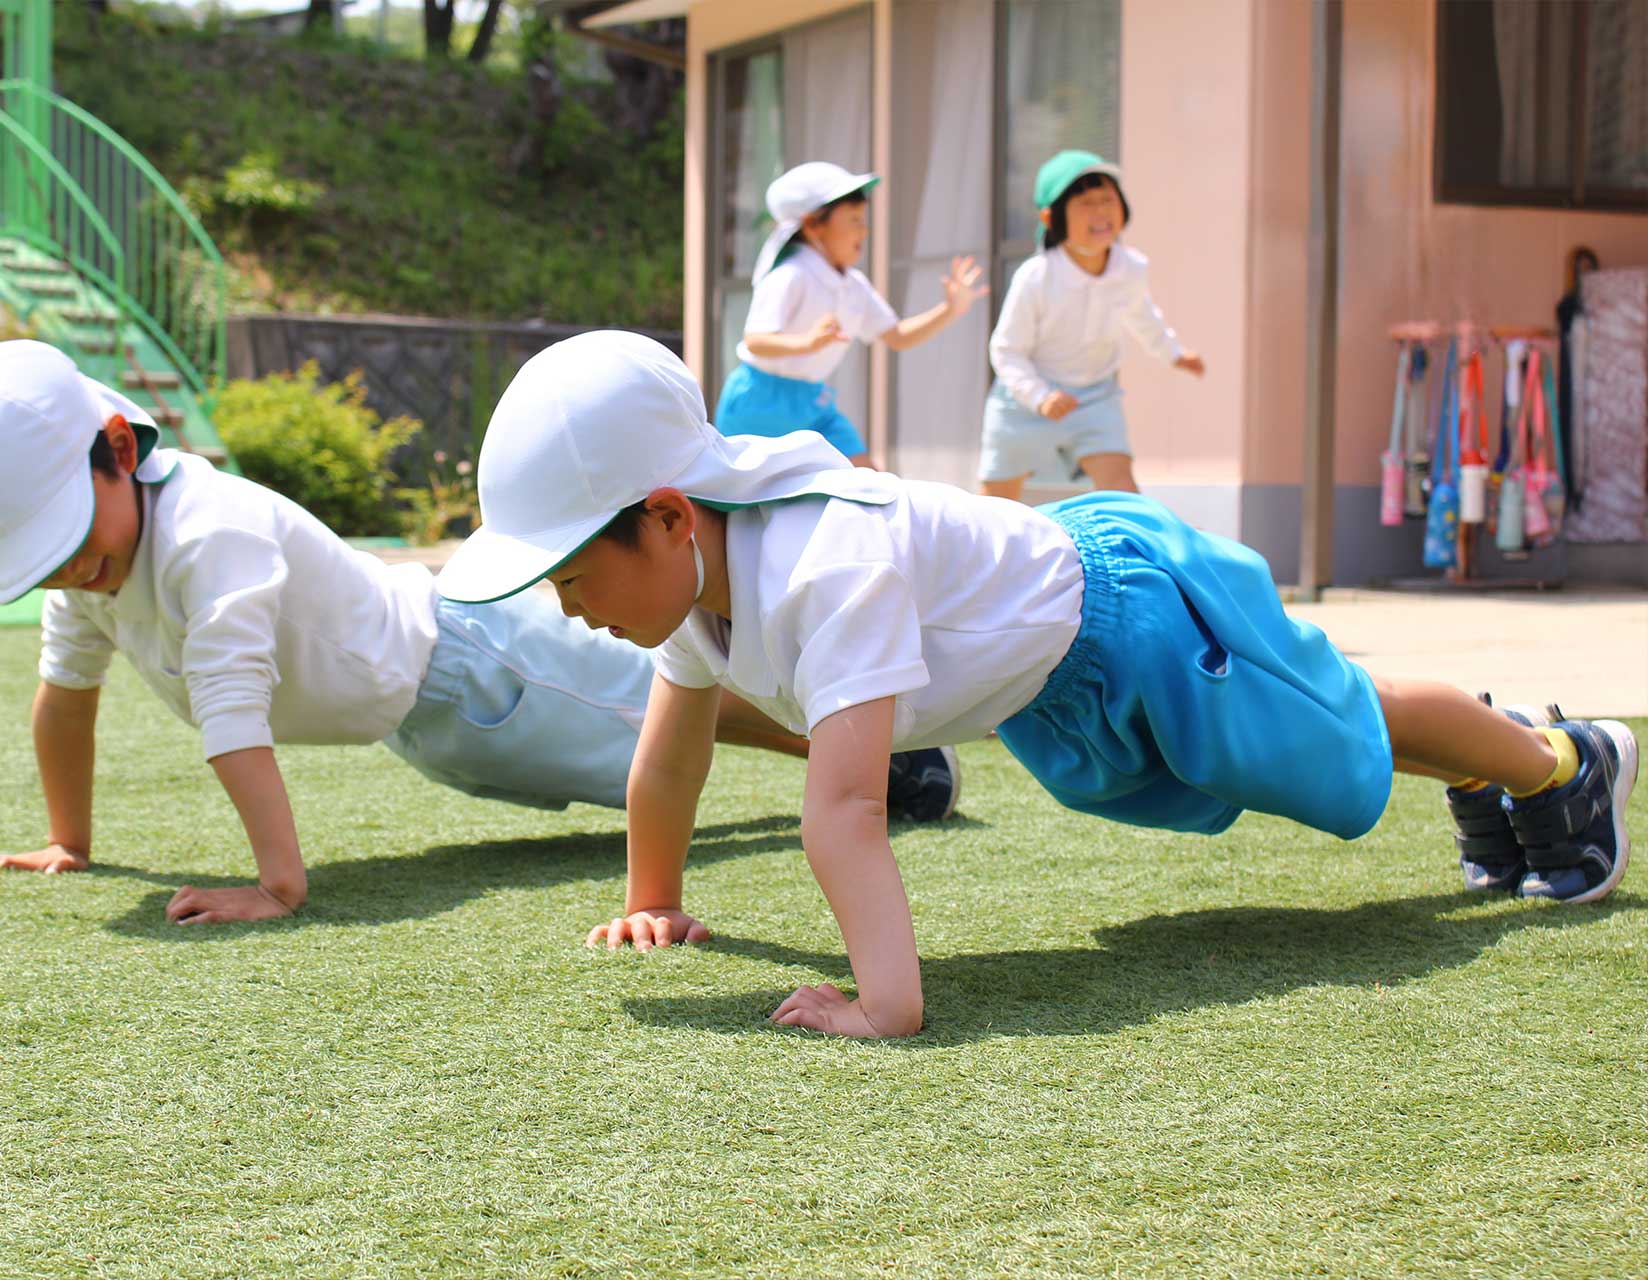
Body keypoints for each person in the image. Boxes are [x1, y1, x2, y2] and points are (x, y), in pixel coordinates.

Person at [434, 330, 1636, 1039]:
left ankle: (1561, 761)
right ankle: (1501, 764)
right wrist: (655, 893)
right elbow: (671, 752)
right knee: (1316, 746)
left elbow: (848, 805)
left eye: (572, 570)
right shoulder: (699, 586)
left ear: (666, 516)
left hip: (1137, 621)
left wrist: (886, 1004)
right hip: (1059, 683)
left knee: (1334, 735)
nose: (562, 603)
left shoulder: (819, 566)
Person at [0, 342, 961, 926]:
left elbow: (233, 707)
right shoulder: (94, 568)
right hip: (431, 721)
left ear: (117, 447)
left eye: (66, 538)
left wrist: (278, 885)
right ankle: (845, 736)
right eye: (42, 559)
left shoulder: (206, 532)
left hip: (477, 675)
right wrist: (70, 840)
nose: (69, 572)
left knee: (668, 714)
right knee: (665, 714)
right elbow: (64, 690)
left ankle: (889, 753)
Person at [713, 161, 987, 468]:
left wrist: (950, 310)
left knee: (871, 484)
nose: (864, 230)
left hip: (814, 403)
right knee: (742, 503)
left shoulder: (854, 285)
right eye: (854, 219)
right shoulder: (789, 275)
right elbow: (756, 341)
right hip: (758, 402)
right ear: (814, 225)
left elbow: (897, 336)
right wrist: (809, 342)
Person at [981, 150, 1204, 501]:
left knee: (1123, 491)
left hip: (1096, 396)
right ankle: (975, 556)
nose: (1100, 211)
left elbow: (1143, 316)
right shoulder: (1037, 277)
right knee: (996, 503)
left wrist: (1174, 353)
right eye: (1085, 203)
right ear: (1051, 217)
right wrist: (1040, 397)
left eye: (1107, 200)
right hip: (1024, 401)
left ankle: (1135, 555)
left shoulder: (1129, 269)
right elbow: (1006, 350)